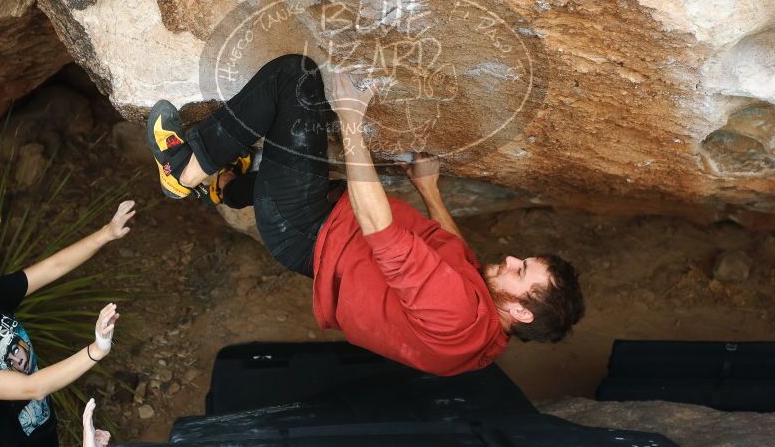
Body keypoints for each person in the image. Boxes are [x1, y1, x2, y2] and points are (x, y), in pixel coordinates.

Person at [146, 54, 585, 376]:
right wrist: (429, 191)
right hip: (329, 237)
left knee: (293, 77)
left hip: (307, 228)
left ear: (524, 312)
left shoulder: (458, 316)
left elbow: (381, 231)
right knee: (294, 174)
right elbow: (460, 261)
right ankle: (224, 187)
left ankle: (185, 170)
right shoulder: (486, 339)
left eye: (521, 270)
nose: (511, 258)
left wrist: (351, 119)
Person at [0, 201, 132, 446]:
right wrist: (97, 349)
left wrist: (107, 233)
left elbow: (52, 267)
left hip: (41, 425)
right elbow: (33, 387)